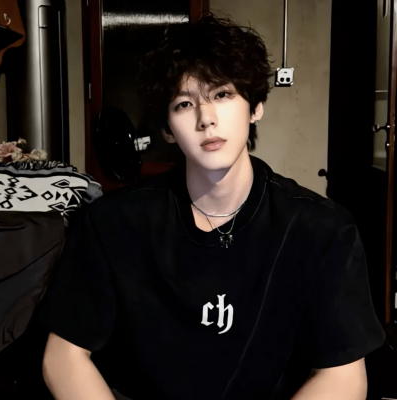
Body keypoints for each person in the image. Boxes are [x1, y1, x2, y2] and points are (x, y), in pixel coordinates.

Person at [38, 12, 386, 400]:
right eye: (184, 104)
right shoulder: (113, 223)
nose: (206, 119)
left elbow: (343, 376)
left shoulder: (320, 229)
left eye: (222, 94)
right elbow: (64, 355)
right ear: (167, 128)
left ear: (255, 106)